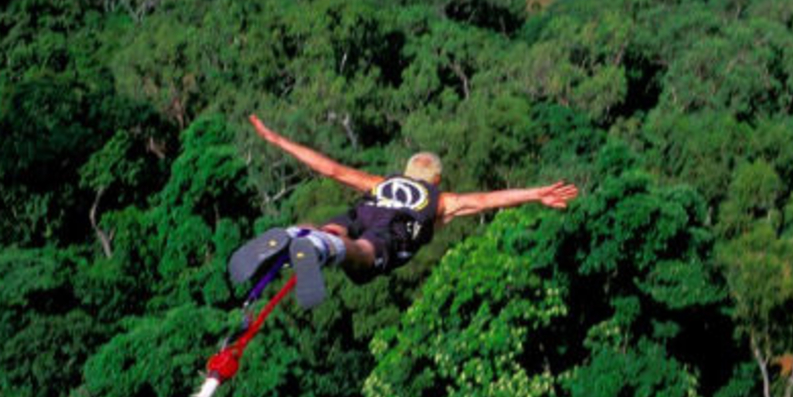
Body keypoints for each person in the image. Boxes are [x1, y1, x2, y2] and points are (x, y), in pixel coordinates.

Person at [229, 115, 579, 307]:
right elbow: (490, 200)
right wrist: (537, 193)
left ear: (408, 171)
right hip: (393, 232)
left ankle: (298, 234)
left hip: (365, 210)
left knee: (335, 226)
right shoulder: (441, 200)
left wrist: (278, 141)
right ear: (436, 179)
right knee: (364, 253)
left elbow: (330, 169)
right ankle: (323, 248)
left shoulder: (380, 183)